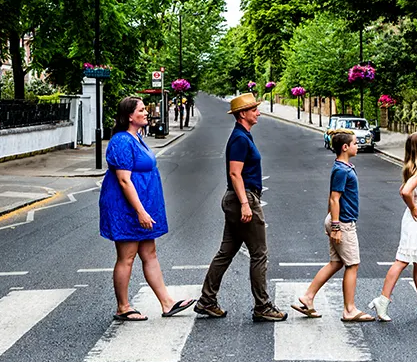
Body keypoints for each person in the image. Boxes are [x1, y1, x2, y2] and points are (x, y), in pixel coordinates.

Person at [98, 96, 196, 321]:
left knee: (149, 253)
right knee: (127, 257)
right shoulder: (122, 141)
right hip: (127, 208)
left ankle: (167, 303)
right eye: (142, 110)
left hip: (143, 206)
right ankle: (122, 307)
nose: (146, 112)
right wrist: (140, 211)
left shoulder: (138, 137)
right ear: (130, 116)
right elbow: (124, 180)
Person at [195, 93, 286, 322]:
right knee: (259, 253)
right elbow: (235, 173)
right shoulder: (239, 138)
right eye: (254, 109)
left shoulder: (243, 136)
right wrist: (246, 204)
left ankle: (207, 300)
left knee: (226, 253)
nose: (258, 112)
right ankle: (262, 306)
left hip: (237, 200)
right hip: (242, 199)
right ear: (243, 114)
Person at [291, 131, 374, 322]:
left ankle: (308, 297)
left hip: (337, 220)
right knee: (352, 265)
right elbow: (334, 198)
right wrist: (335, 226)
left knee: (336, 263)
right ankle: (349, 310)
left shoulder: (344, 167)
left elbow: (333, 197)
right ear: (345, 147)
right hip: (343, 223)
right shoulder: (341, 170)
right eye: (354, 143)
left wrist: (329, 221)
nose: (357, 145)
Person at [369, 131, 417, 321]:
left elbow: (403, 190)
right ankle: (383, 300)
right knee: (403, 260)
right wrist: (413, 207)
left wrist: (413, 204)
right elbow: (405, 191)